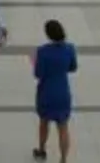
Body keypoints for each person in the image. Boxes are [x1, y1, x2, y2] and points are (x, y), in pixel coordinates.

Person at [32, 19, 78, 162]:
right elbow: (73, 67)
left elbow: (38, 73)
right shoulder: (70, 49)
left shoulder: (42, 51)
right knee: (63, 127)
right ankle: (63, 158)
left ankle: (41, 150)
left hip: (46, 92)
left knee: (44, 122)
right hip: (62, 92)